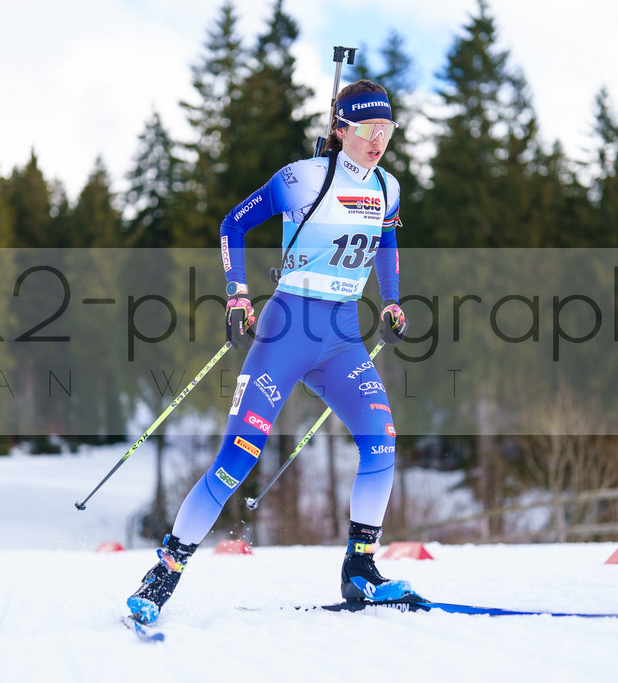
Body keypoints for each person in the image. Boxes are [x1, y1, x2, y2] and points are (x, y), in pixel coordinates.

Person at [127, 80, 415, 625]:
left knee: (381, 443)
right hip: (286, 331)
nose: (378, 140)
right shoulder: (303, 177)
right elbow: (232, 223)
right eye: (367, 129)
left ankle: (361, 569)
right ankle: (164, 571)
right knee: (237, 458)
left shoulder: (388, 187)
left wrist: (393, 301)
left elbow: (388, 243)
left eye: (386, 130)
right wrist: (237, 292)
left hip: (343, 338)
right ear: (341, 129)